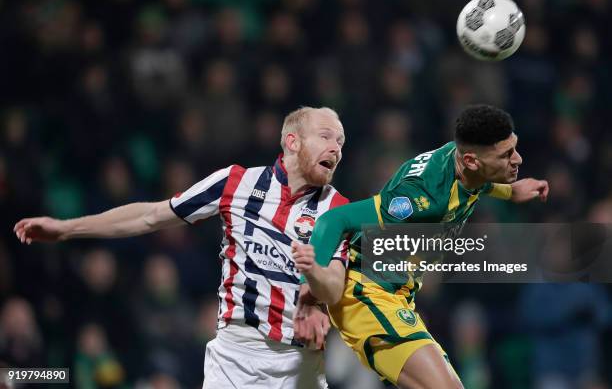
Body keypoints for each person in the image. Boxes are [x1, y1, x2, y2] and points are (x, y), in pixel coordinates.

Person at [14, 106, 349, 389]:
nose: (335, 147)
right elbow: (149, 216)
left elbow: (334, 287)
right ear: (292, 141)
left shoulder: (337, 209)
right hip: (235, 356)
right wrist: (66, 229)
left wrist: (314, 274)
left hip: (299, 364)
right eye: (325, 136)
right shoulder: (236, 182)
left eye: (340, 141)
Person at [292, 105, 550, 389]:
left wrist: (510, 191)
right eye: (507, 155)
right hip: (368, 294)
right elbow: (334, 219)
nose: (518, 159)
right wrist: (309, 292)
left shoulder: (464, 159)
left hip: (399, 293)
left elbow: (475, 183)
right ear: (471, 161)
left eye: (514, 148)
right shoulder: (420, 197)